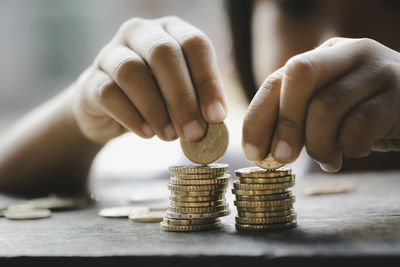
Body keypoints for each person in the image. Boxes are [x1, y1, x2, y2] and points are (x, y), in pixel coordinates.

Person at [0, 0, 399, 195]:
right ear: (244, 29)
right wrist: (79, 118)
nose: (337, 39)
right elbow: (9, 177)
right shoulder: (220, 175)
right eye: (295, 5)